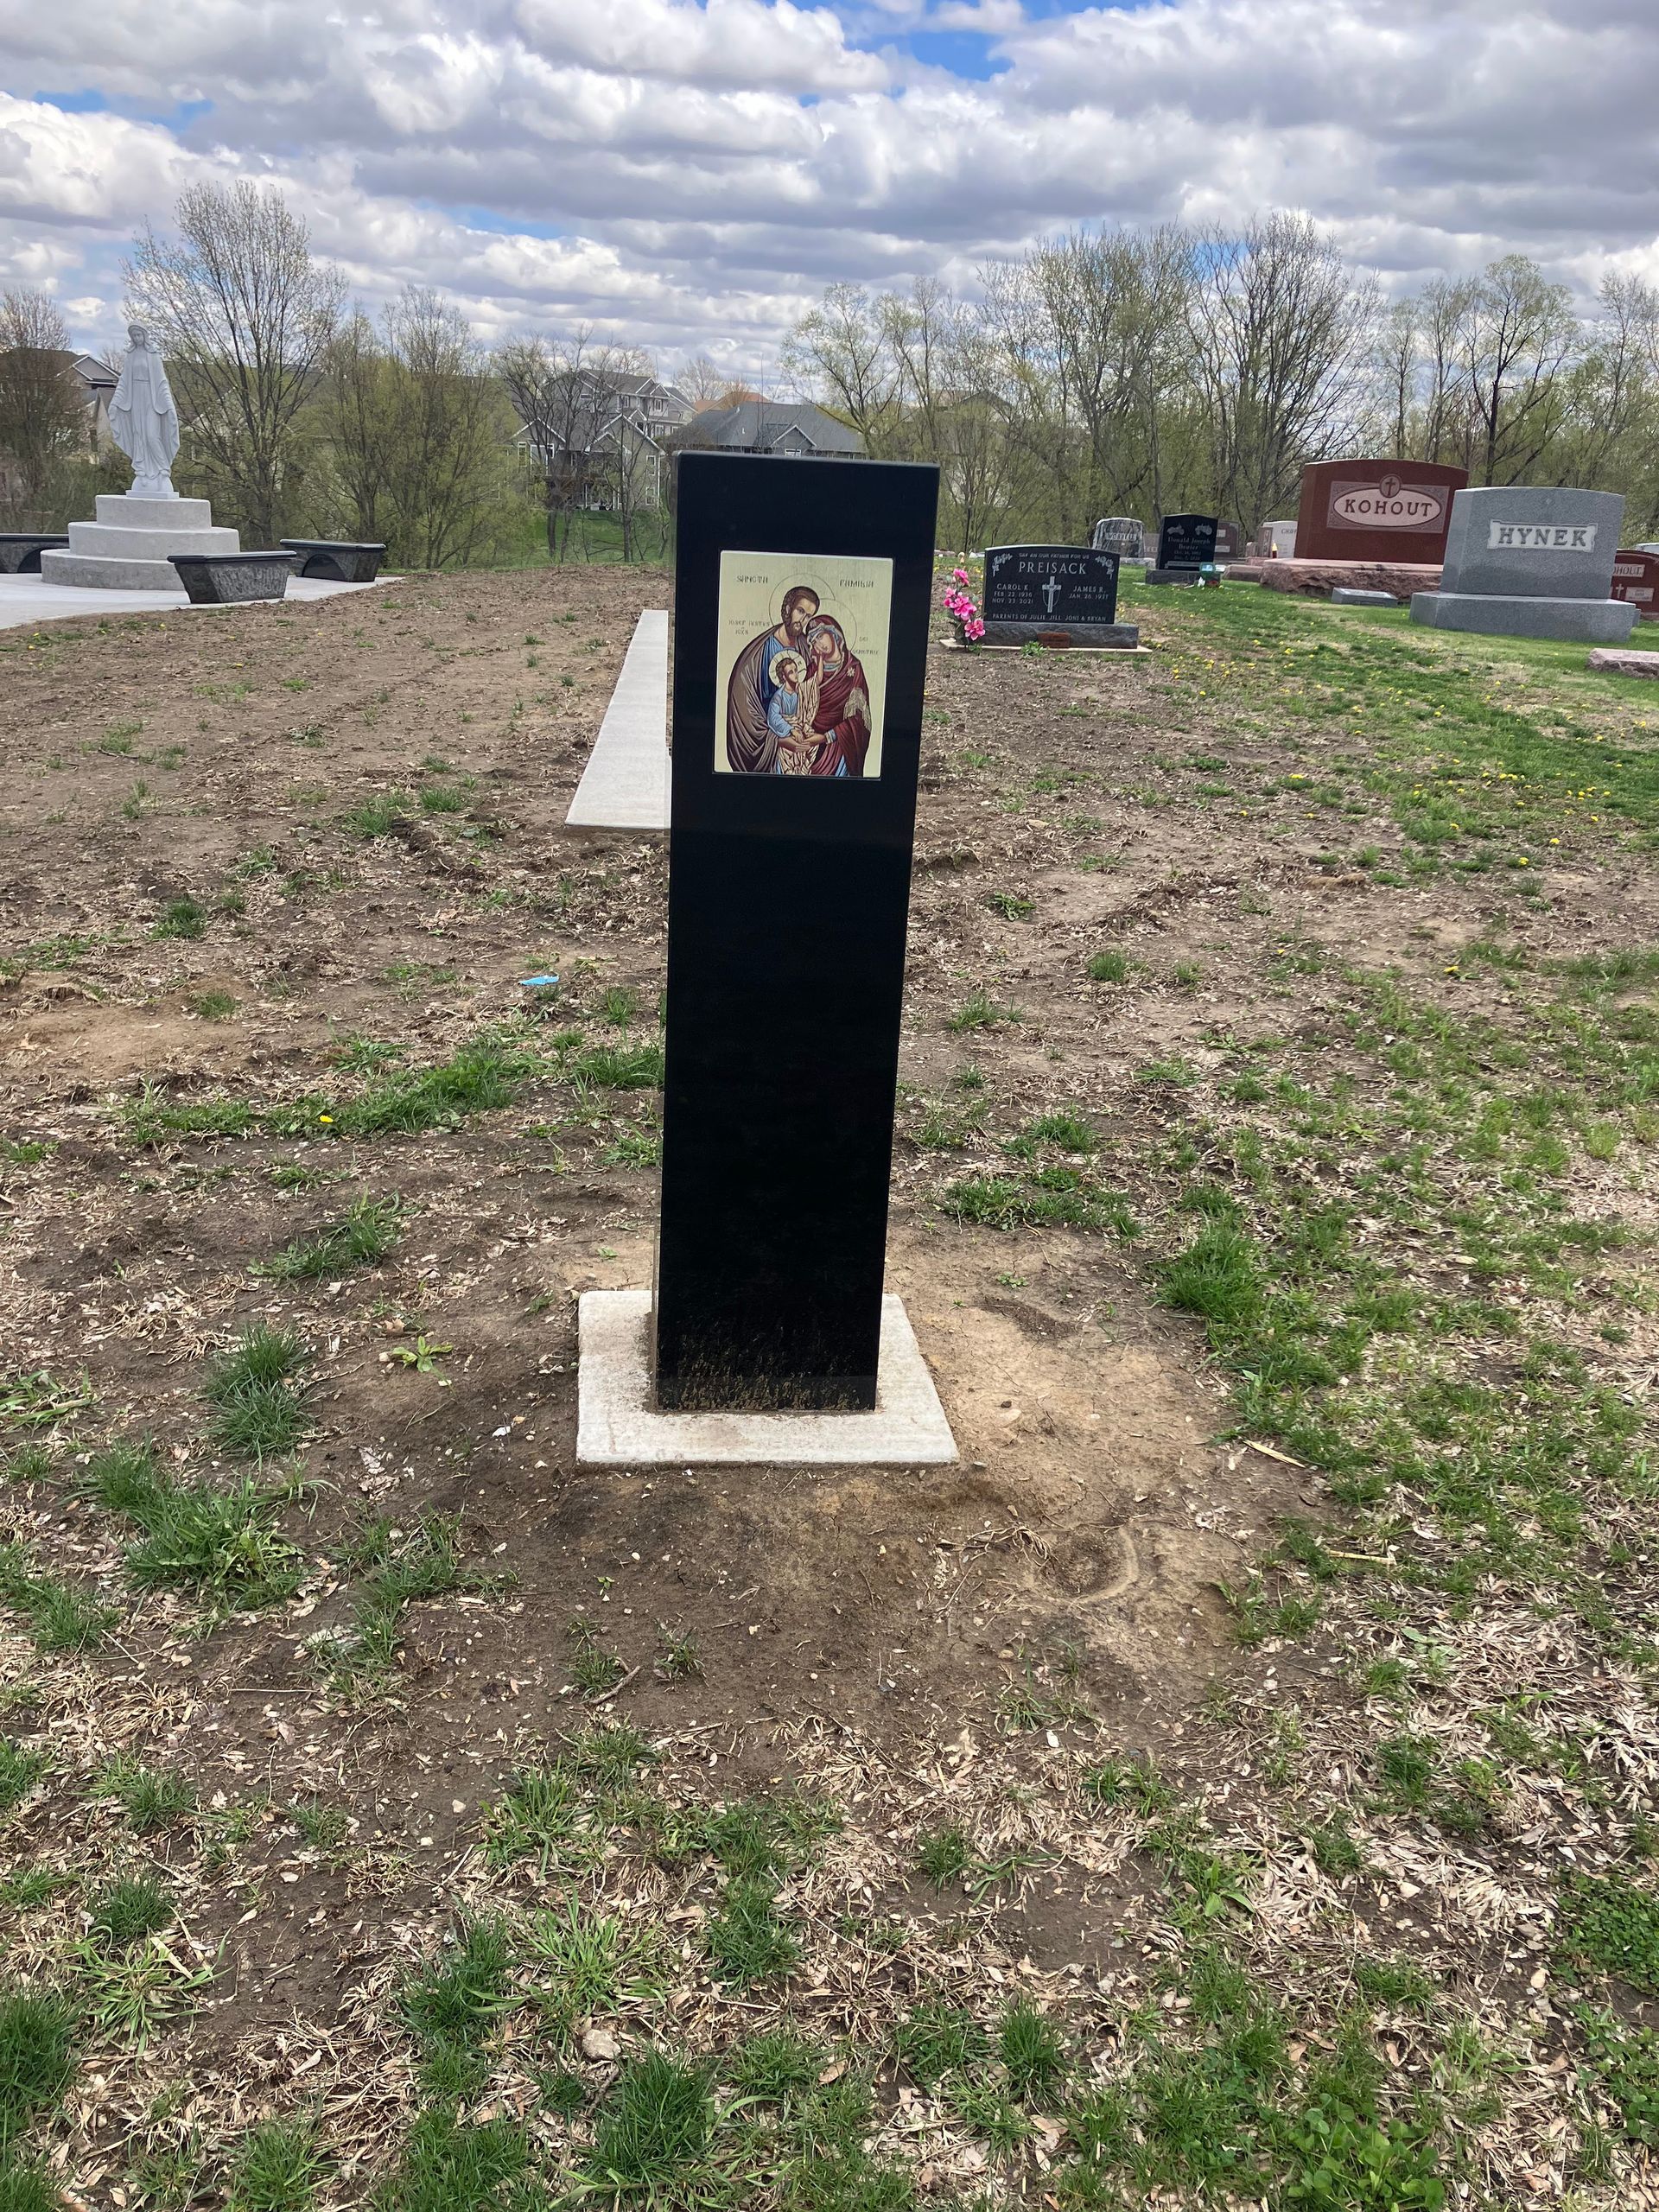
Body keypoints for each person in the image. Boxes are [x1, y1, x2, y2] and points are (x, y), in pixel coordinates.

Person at [725, 583, 819, 772]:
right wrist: (779, 740)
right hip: (770, 734)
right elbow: (743, 704)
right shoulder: (760, 651)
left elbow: (812, 691)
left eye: (809, 616)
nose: (803, 620)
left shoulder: (806, 648)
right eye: (800, 611)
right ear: (788, 609)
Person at [109, 324, 181, 499]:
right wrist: (115, 402)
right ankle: (142, 472)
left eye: (139, 334)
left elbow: (161, 382)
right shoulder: (131, 356)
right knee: (139, 436)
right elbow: (124, 382)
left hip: (151, 398)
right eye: (134, 335)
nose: (137, 338)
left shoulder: (153, 355)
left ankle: (163, 469)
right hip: (136, 399)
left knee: (151, 435)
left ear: (145, 335)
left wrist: (168, 404)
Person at [798, 616, 873, 777]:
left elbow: (859, 719)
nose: (818, 645)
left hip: (841, 748)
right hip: (811, 747)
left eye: (820, 636)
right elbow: (801, 708)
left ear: (834, 634)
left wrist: (826, 737)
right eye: (813, 642)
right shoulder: (812, 671)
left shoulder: (853, 669)